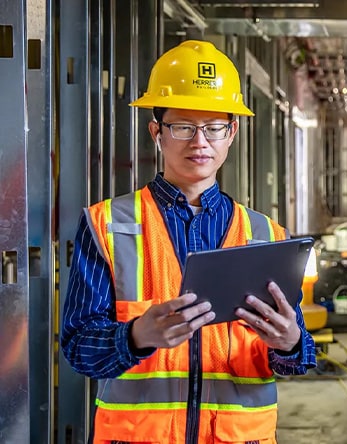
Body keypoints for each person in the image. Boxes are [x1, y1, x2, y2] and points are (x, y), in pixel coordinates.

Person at [60, 40, 316, 444]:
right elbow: (78, 348)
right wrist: (136, 336)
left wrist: (290, 343)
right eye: (182, 126)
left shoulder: (267, 235)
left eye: (214, 127)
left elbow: (295, 358)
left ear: (231, 133)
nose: (200, 142)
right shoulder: (106, 225)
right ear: (156, 132)